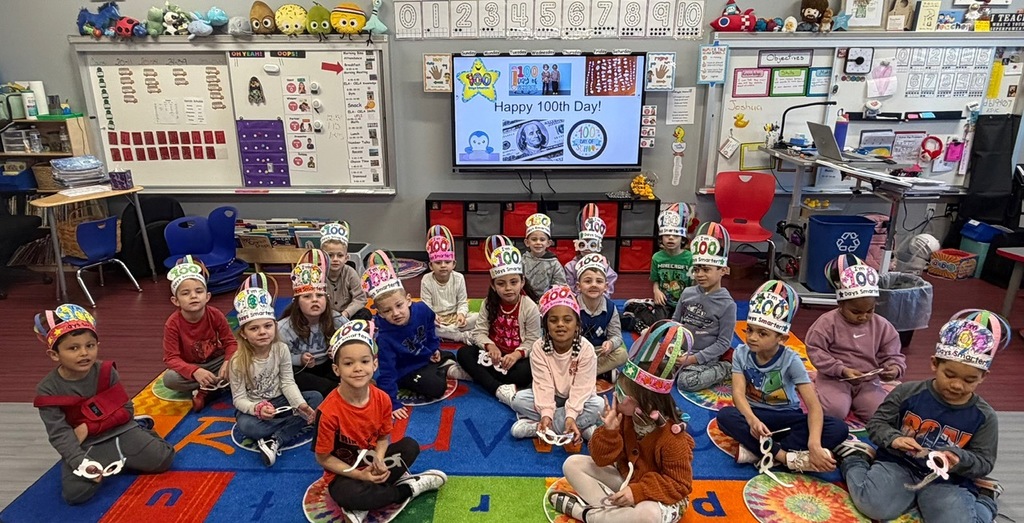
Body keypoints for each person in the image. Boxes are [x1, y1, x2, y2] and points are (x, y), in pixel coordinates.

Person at [835, 310, 1007, 523]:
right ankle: (856, 458)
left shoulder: (984, 416)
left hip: (947, 480)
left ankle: (986, 498)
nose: (956, 385)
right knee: (874, 507)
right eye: (949, 375)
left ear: (983, 377)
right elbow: (878, 423)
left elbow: (984, 461)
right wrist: (894, 439)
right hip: (899, 464)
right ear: (935, 363)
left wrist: (957, 458)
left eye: (969, 380)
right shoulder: (908, 392)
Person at [548, 320, 696, 523]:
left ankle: (589, 515)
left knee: (647, 514)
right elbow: (600, 459)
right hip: (627, 481)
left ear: (643, 403)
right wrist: (608, 432)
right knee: (572, 464)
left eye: (620, 393)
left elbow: (680, 485)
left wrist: (638, 492)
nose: (614, 396)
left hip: (658, 500)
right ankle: (616, 516)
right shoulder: (624, 417)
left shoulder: (672, 438)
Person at [33, 304, 175, 505]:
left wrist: (88, 426)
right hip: (87, 443)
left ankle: (142, 430)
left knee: (163, 460)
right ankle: (120, 454)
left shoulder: (106, 371)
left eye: (90, 346)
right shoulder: (47, 390)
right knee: (75, 494)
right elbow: (59, 435)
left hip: (120, 429)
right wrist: (79, 461)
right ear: (54, 355)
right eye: (73, 348)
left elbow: (126, 411)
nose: (84, 353)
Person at [313, 320, 448, 523]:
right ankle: (409, 488)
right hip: (345, 474)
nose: (358, 369)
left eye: (364, 362)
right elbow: (323, 459)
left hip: (371, 463)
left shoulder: (383, 399)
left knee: (410, 446)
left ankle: (366, 502)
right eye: (348, 363)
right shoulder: (328, 412)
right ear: (336, 369)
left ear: (374, 364)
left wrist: (379, 458)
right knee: (346, 494)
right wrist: (361, 476)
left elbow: (384, 437)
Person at [716, 280, 849, 473]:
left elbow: (814, 406)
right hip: (757, 415)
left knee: (838, 428)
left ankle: (760, 451)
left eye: (762, 333)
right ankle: (785, 457)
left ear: (782, 338)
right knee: (726, 416)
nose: (752, 337)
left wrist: (814, 445)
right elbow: (737, 393)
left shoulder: (791, 360)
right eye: (750, 330)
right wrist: (752, 420)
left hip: (787, 416)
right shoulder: (740, 353)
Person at [229, 276, 322, 467]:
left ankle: (275, 437)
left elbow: (288, 382)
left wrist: (300, 405)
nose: (263, 332)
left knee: (315, 399)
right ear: (244, 334)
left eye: (268, 326)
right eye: (254, 328)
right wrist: (257, 409)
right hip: (254, 409)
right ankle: (283, 431)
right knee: (247, 426)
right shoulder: (237, 361)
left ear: (274, 326)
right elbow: (238, 399)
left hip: (281, 401)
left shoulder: (281, 349)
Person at [367, 250, 470, 420]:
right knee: (436, 388)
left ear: (408, 299)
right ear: (379, 313)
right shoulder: (385, 338)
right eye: (387, 310)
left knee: (456, 355)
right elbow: (387, 371)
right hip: (406, 370)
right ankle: (444, 369)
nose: (396, 313)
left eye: (399, 305)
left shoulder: (422, 309)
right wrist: (392, 402)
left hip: (425, 355)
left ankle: (442, 365)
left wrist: (433, 347)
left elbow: (430, 326)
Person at [806, 254, 905, 422]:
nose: (863, 317)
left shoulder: (882, 326)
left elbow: (893, 354)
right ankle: (822, 388)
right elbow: (815, 349)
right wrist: (841, 369)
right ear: (841, 304)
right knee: (834, 411)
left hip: (868, 381)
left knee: (879, 415)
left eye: (870, 311)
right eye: (856, 312)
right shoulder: (826, 323)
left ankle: (857, 399)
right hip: (835, 378)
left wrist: (894, 368)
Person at [509, 285, 604, 443]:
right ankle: (581, 426)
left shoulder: (586, 349)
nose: (560, 324)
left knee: (598, 405)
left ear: (577, 325)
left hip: (580, 400)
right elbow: (543, 385)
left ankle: (540, 428)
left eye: (567, 320)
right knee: (518, 400)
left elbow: (582, 388)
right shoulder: (539, 348)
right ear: (546, 326)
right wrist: (546, 413)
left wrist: (571, 415)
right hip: (551, 396)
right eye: (553, 320)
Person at [456, 235, 542, 405]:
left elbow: (534, 340)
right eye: (501, 284)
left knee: (526, 372)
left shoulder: (530, 307)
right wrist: (490, 345)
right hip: (491, 355)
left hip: (517, 358)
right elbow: (479, 332)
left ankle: (482, 377)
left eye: (513, 282)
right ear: (494, 286)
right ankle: (498, 388)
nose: (508, 288)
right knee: (464, 353)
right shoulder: (489, 303)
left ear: (522, 282)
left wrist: (516, 354)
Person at [161, 256, 237, 412]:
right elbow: (170, 358)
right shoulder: (172, 323)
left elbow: (231, 343)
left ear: (207, 296)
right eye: (185, 293)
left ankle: (207, 388)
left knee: (241, 358)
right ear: (176, 301)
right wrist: (195, 371)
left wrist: (228, 362)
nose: (193, 296)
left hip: (217, 361)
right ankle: (217, 385)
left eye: (198, 291)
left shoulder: (215, 314)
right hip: (193, 366)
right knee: (170, 379)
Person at [672, 222, 737, 392]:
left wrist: (693, 359)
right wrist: (670, 346)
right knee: (649, 365)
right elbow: (675, 323)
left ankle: (726, 368)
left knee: (686, 382)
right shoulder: (687, 293)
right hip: (680, 351)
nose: (700, 275)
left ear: (723, 270)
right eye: (697, 269)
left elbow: (723, 342)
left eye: (706, 270)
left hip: (705, 357)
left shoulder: (727, 305)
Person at [279, 251, 347, 399]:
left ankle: (335, 389)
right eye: (307, 297)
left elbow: (353, 343)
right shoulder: (283, 328)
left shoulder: (337, 319)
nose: (315, 300)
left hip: (329, 366)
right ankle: (335, 390)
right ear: (297, 303)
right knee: (291, 376)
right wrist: (299, 359)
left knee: (349, 367)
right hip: (303, 370)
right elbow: (277, 357)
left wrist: (338, 351)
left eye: (320, 296)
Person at [420, 225, 477, 346]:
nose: (443, 265)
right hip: (438, 321)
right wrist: (434, 317)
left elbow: (462, 302)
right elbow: (426, 306)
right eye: (438, 262)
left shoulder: (459, 278)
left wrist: (461, 314)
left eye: (447, 262)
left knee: (479, 317)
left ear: (454, 264)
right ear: (431, 266)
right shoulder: (426, 280)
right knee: (423, 325)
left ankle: (452, 332)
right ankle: (460, 336)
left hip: (455, 319)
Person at [575, 253, 627, 383]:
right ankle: (599, 373)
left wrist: (610, 344)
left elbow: (616, 336)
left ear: (606, 286)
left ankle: (582, 374)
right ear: (578, 286)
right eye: (587, 281)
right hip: (575, 351)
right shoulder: (572, 306)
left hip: (599, 351)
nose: (594, 285)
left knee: (622, 354)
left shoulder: (610, 308)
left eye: (599, 281)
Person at [320, 222, 371, 321]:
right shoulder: (318, 274)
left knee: (365, 313)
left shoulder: (351, 273)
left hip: (347, 314)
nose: (335, 259)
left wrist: (346, 314)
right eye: (330, 255)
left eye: (340, 255)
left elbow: (360, 298)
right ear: (322, 256)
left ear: (346, 258)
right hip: (324, 315)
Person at [651, 204, 695, 318]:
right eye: (667, 235)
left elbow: (694, 284)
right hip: (664, 302)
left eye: (675, 236)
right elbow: (655, 280)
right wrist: (656, 291)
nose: (671, 238)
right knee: (659, 324)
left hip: (685, 302)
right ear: (661, 238)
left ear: (682, 239)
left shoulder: (690, 258)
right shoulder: (657, 258)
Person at [565, 204, 617, 297]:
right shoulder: (570, 266)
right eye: (583, 244)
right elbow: (569, 287)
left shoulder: (604, 264)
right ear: (577, 245)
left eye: (592, 245)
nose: (587, 248)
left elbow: (609, 284)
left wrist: (601, 297)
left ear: (599, 246)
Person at [522, 213, 567, 294]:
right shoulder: (522, 261)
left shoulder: (554, 263)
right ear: (527, 242)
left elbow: (560, 284)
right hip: (526, 298)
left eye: (542, 240)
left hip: (549, 300)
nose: (538, 243)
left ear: (548, 243)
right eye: (534, 239)